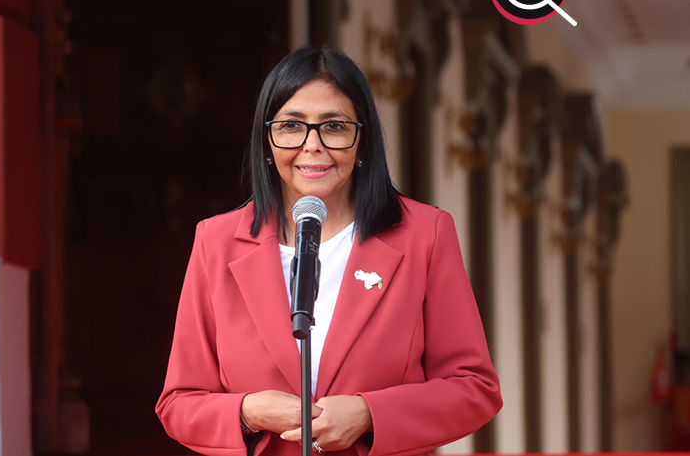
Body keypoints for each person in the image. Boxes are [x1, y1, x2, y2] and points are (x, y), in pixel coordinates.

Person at [155, 47, 501, 456]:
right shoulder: (216, 242)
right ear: (267, 140)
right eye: (291, 126)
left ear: (362, 141)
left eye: (334, 126)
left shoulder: (424, 235)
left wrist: (369, 413)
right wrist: (250, 411)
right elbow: (179, 403)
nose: (312, 145)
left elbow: (474, 388)